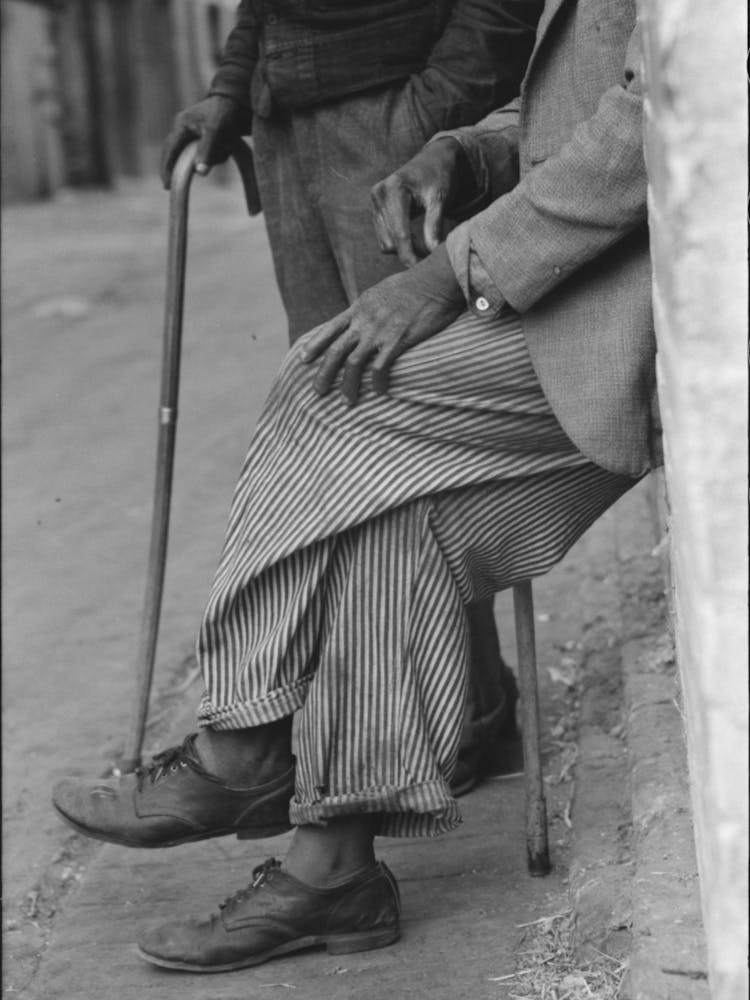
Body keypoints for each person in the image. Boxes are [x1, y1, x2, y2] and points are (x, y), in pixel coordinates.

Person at [52, 0, 660, 974]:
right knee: (391, 510)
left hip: (637, 308)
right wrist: (464, 150)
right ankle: (334, 870)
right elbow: (581, 100)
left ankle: (245, 746)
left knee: (327, 388)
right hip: (559, 259)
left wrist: (452, 265)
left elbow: (655, 119)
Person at [160, 0, 546, 793]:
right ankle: (463, 704)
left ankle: (464, 717)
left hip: (393, 116)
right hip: (286, 129)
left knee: (406, 425)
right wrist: (234, 83)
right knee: (338, 420)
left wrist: (430, 112)